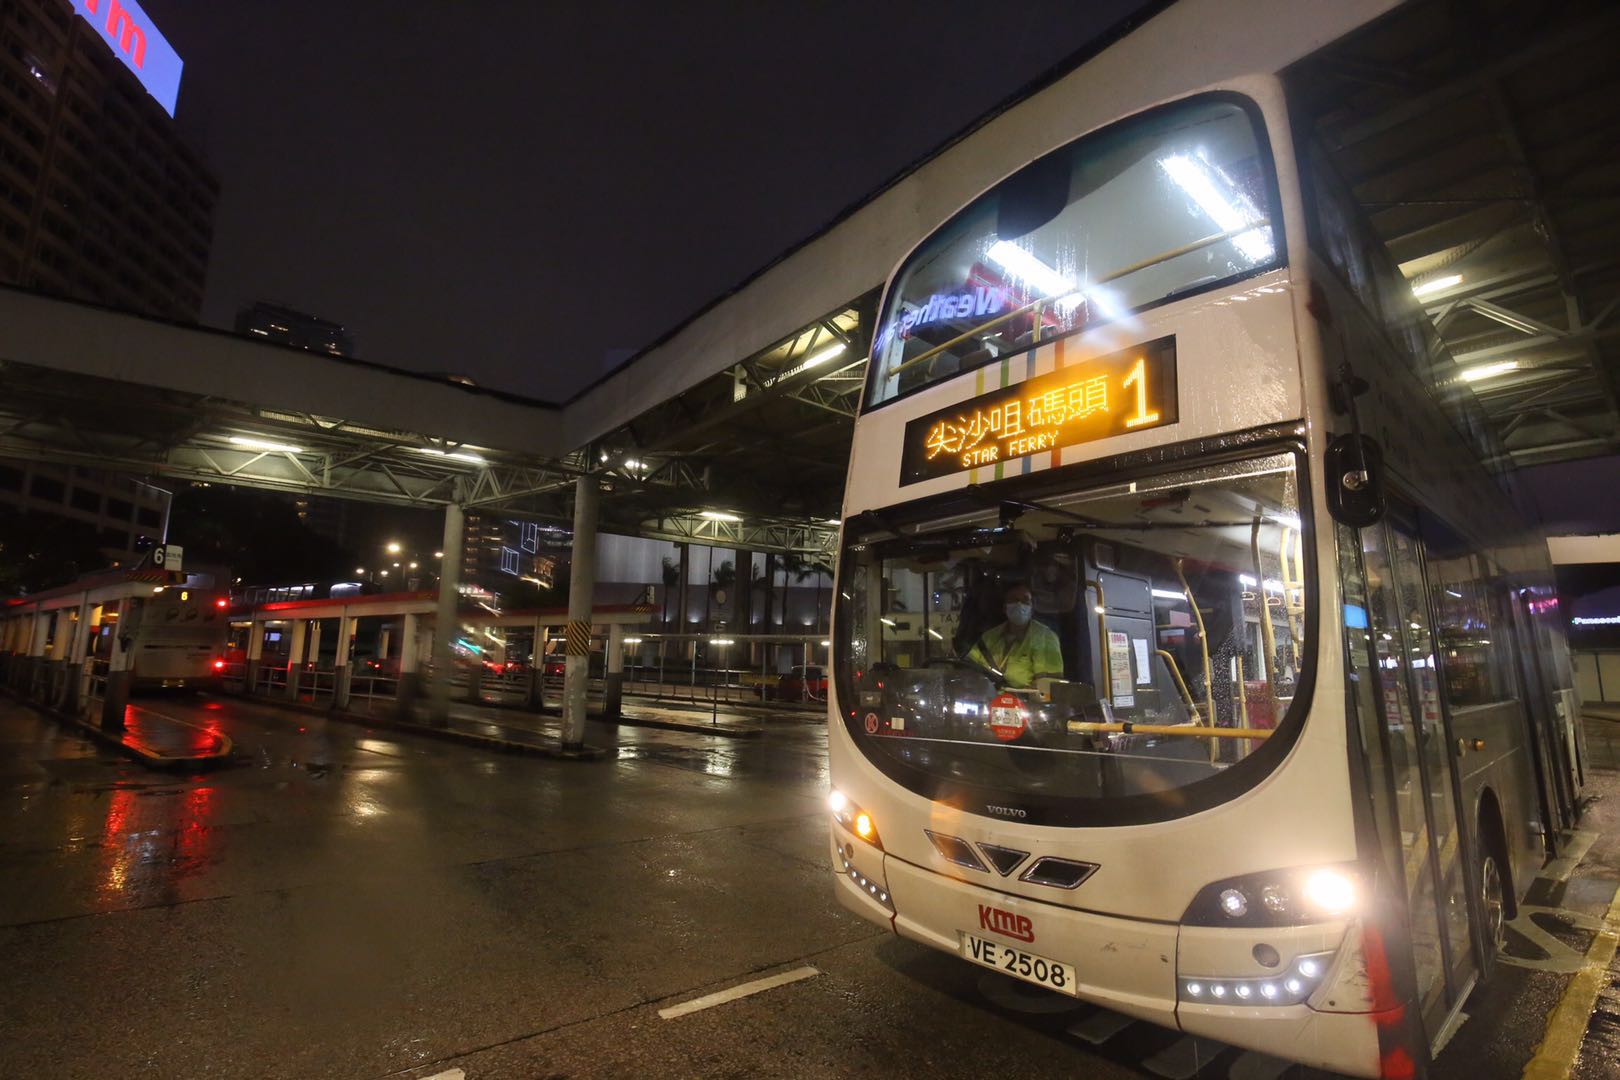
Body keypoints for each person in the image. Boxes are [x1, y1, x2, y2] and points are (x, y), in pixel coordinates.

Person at [965, 582, 1064, 688]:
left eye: (1025, 600)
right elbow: (968, 670)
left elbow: (1049, 686)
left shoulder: (1045, 638)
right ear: (1005, 608)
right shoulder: (988, 637)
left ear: (1032, 608)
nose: (1019, 604)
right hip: (985, 700)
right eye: (1014, 599)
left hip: (1024, 702)